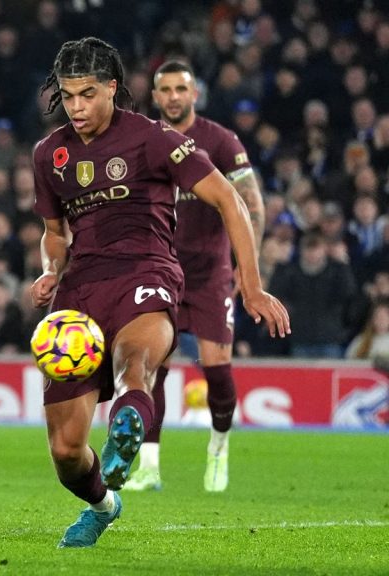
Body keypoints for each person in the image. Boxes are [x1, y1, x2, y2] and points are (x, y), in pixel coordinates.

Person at [30, 38, 289, 548]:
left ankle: (129, 425)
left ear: (112, 88)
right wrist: (49, 268)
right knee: (65, 451)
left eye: (87, 94)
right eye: (67, 96)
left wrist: (252, 285)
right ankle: (104, 505)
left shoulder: (153, 138)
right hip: (80, 290)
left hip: (146, 271)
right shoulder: (49, 153)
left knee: (136, 365)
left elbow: (230, 201)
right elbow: (55, 232)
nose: (77, 107)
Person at [124, 60, 266, 494]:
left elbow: (252, 206)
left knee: (217, 369)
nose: (172, 96)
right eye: (164, 89)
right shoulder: (144, 141)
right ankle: (149, 467)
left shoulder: (220, 141)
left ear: (194, 94)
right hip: (160, 269)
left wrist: (248, 266)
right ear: (155, 96)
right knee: (153, 367)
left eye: (180, 89)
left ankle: (219, 447)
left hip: (209, 272)